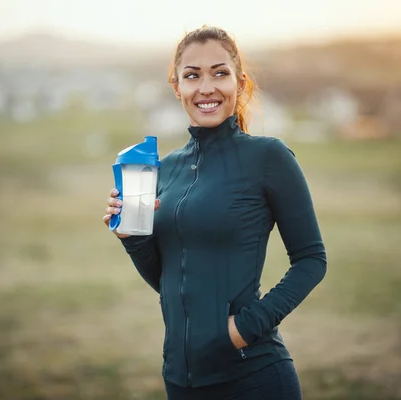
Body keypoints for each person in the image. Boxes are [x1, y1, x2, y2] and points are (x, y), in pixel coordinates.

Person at [103, 25, 327, 400]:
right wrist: (131, 238)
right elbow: (168, 278)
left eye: (219, 73)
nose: (206, 87)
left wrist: (243, 328)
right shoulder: (166, 168)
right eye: (192, 76)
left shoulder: (268, 157)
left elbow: (311, 260)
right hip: (180, 379)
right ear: (177, 87)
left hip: (253, 376)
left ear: (240, 82)